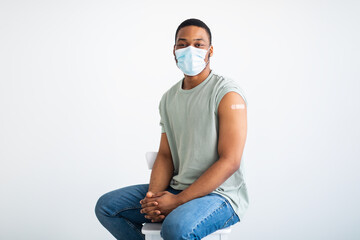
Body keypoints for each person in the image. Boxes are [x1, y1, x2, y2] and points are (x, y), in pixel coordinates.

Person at [95, 18, 249, 240]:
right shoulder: (168, 98)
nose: (190, 50)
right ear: (174, 51)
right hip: (178, 188)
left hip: (220, 196)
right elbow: (166, 155)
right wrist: (154, 200)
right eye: (182, 44)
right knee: (108, 207)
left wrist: (177, 201)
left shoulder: (227, 93)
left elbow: (230, 161)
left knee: (175, 228)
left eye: (198, 45)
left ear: (210, 51)